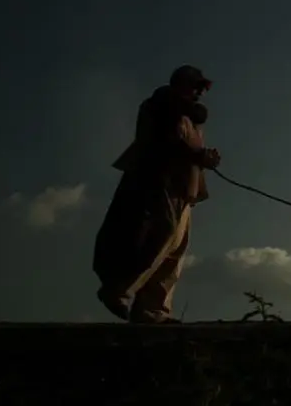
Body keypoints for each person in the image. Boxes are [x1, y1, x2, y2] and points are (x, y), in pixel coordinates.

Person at [93, 64, 221, 324]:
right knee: (159, 238)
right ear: (182, 84)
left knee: (175, 247)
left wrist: (204, 158)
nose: (199, 93)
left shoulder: (189, 116)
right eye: (195, 86)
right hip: (158, 181)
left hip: (184, 188)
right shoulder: (163, 105)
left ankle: (153, 309)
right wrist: (199, 156)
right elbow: (161, 143)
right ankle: (119, 289)